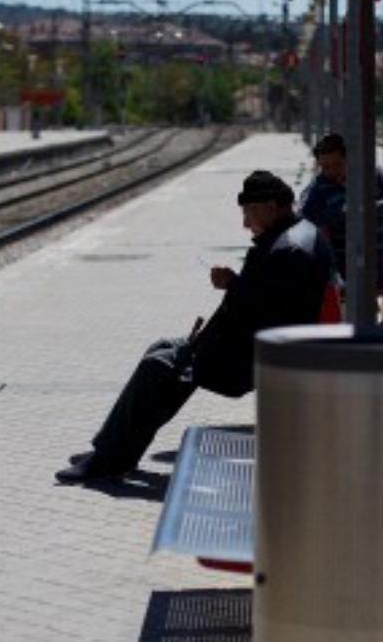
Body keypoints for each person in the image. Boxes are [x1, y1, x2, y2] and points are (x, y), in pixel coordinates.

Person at [57, 170, 335, 484]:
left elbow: (266, 313)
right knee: (162, 350)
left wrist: (232, 286)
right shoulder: (294, 236)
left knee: (158, 367)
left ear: (271, 206)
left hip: (253, 357)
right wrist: (231, 296)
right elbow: (270, 303)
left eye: (249, 213)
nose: (246, 224)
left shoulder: (289, 250)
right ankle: (112, 449)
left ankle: (109, 459)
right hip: (258, 345)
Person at [298, 132, 383, 283]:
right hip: (350, 257)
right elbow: (306, 215)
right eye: (326, 167)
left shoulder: (373, 174)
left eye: (338, 165)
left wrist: (366, 209)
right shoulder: (319, 187)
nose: (332, 172)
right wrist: (341, 214)